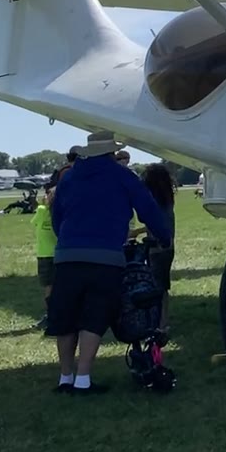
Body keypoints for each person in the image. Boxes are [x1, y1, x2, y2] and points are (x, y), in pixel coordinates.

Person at [48, 129, 171, 394]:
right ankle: (83, 379)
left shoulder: (69, 178)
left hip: (67, 255)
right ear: (111, 153)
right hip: (106, 257)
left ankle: (65, 377)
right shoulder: (122, 175)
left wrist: (67, 241)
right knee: (94, 316)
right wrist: (164, 236)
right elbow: (147, 208)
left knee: (66, 317)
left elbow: (57, 216)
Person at [136, 162, 178, 335]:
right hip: (167, 247)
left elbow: (146, 217)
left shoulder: (153, 201)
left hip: (158, 248)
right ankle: (160, 321)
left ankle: (160, 323)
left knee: (158, 287)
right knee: (161, 286)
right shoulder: (166, 199)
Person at [32, 176, 58, 331]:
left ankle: (50, 315)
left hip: (44, 254)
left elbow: (35, 222)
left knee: (48, 286)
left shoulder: (42, 211)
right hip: (59, 253)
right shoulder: (61, 212)